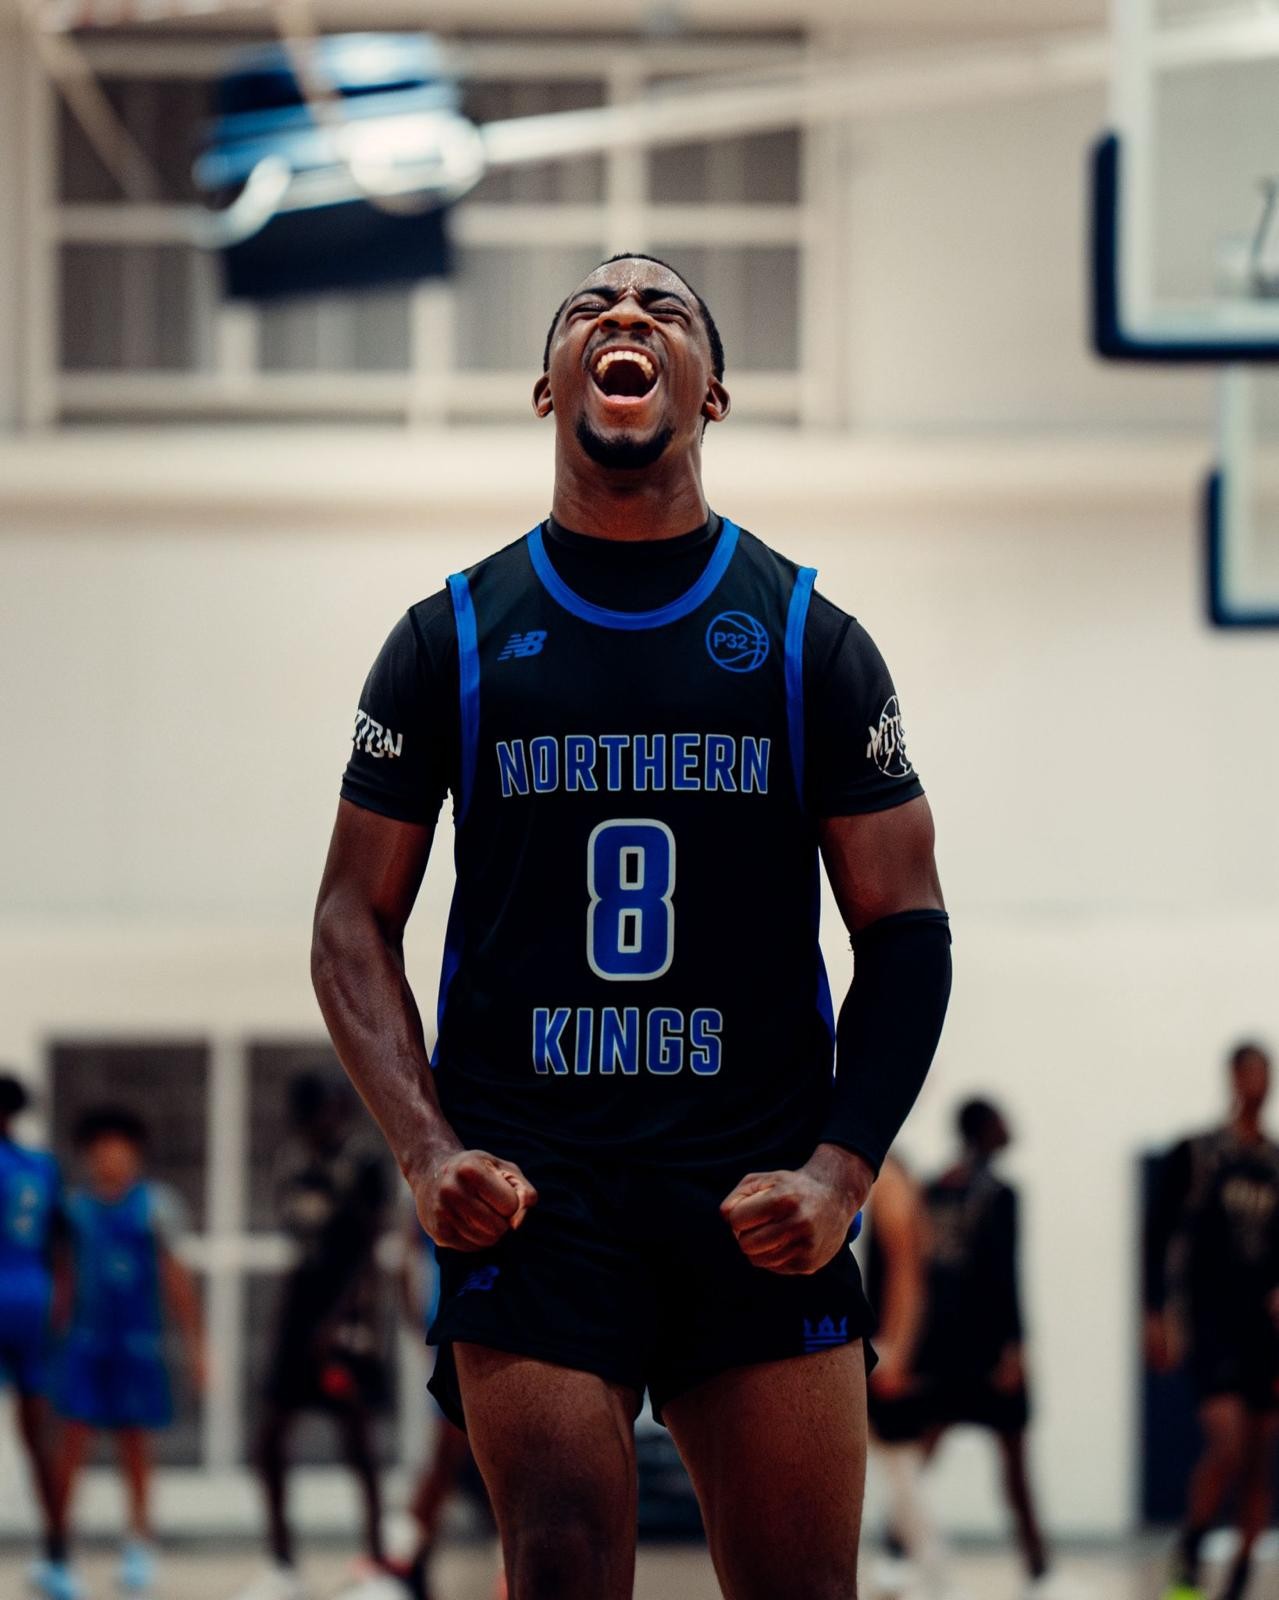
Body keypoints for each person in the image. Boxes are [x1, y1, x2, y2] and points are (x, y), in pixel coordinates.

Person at [312, 251, 952, 1600]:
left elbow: (905, 929)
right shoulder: (449, 640)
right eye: (588, 310)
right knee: (555, 1554)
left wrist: (839, 1176)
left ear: (710, 390)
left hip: (755, 1184)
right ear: (545, 387)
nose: (622, 315)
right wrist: (426, 1152)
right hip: (534, 1186)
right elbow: (349, 918)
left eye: (663, 308)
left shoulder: (806, 639)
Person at [235, 1074, 396, 1600]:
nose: (321, 1122)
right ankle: (282, 1563)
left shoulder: (363, 1161)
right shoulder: (291, 1162)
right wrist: (287, 1325)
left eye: (328, 1110)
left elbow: (369, 1251)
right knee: (269, 1440)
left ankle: (377, 1566)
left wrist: (346, 1322)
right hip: (301, 1309)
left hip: (347, 1313)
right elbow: (298, 1247)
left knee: (357, 1438)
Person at [1145, 1042, 1279, 1600]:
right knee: (1227, 1446)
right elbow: (1157, 1235)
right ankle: (1192, 1549)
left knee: (1259, 1459)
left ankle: (1241, 1576)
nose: (1256, 1083)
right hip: (1212, 1321)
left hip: (1265, 1330)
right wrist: (1155, 1314)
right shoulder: (1198, 1153)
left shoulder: (1273, 1162)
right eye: (1247, 1073)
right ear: (1232, 1078)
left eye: (1264, 1074)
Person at [911, 1099, 1061, 1600]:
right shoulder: (999, 1193)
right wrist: (1015, 1348)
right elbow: (1006, 1275)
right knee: (1012, 1466)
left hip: (942, 1346)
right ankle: (1039, 1570)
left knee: (924, 1452)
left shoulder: (933, 1189)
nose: (1010, 1127)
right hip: (989, 1350)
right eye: (1000, 1121)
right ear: (982, 1130)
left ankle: (896, 1552)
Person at [55, 1106, 205, 1597]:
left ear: (135, 1156)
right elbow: (64, 1280)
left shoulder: (155, 1207)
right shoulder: (75, 1210)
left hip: (136, 1344)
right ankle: (59, 1546)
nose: (111, 1161)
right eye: (101, 1153)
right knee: (72, 1442)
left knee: (135, 1444)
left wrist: (197, 1346)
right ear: (89, 1157)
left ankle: (140, 1542)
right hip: (86, 1343)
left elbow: (176, 1280)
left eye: (120, 1152)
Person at [0, 1074, 74, 1600]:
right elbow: (61, 1243)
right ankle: (57, 1553)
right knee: (38, 1434)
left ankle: (57, 1551)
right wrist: (61, 1303)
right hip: (35, 1298)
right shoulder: (41, 1167)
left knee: (39, 1431)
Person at [862, 1154, 949, 1600]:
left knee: (902, 1470)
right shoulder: (893, 1177)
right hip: (888, 1345)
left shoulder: (888, 1179)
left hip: (890, 1348)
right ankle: (916, 1571)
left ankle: (939, 1580)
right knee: (898, 1470)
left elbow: (907, 1275)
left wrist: (896, 1352)